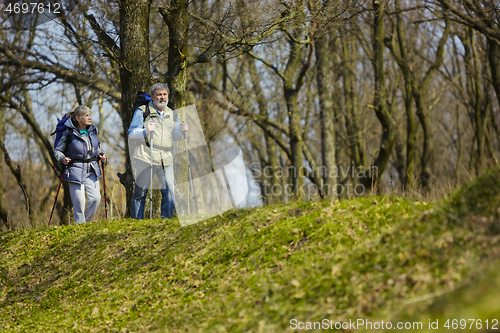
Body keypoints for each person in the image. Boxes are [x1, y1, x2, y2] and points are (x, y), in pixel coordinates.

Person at [128, 83, 188, 219]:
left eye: (164, 94)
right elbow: (131, 133)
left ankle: (166, 220)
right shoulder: (142, 111)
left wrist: (182, 131)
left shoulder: (172, 114)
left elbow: (175, 136)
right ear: (153, 96)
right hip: (146, 155)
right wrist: (145, 131)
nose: (162, 97)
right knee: (140, 192)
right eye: (159, 95)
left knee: (169, 190)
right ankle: (137, 222)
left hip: (166, 157)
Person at [54, 105, 107, 224]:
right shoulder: (68, 132)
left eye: (90, 115)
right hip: (75, 170)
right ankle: (80, 226)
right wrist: (62, 158)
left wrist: (102, 155)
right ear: (77, 118)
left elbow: (96, 148)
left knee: (95, 199)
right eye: (86, 115)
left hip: (92, 169)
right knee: (79, 202)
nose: (90, 118)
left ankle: (87, 224)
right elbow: (57, 151)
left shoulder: (92, 130)